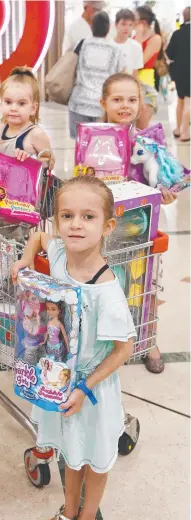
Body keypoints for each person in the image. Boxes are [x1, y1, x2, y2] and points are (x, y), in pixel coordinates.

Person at [12, 176, 135, 520]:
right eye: (67, 216)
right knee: (70, 450)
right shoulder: (62, 254)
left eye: (88, 216)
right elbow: (37, 236)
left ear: (107, 226)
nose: (76, 225)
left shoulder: (108, 291)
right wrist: (25, 259)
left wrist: (87, 387)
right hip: (57, 379)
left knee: (93, 455)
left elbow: (124, 348)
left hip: (90, 388)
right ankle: (67, 511)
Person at [100, 72, 177, 373]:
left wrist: (167, 193)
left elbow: (161, 177)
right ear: (103, 102)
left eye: (132, 99)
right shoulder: (95, 138)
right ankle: (109, 341)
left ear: (141, 103)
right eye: (117, 99)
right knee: (107, 285)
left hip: (143, 230)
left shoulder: (149, 141)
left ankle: (148, 337)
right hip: (106, 231)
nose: (125, 105)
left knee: (145, 286)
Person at [68, 11, 124, 139]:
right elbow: (119, 76)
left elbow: (71, 66)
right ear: (109, 28)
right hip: (102, 105)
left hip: (79, 103)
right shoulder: (116, 49)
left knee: (80, 144)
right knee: (100, 145)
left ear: (91, 26)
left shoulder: (81, 44)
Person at [0, 67, 55, 166]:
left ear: (33, 108)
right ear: (1, 103)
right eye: (8, 102)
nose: (13, 108)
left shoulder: (36, 134)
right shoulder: (2, 128)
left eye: (21, 103)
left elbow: (51, 163)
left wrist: (32, 161)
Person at [134, 5, 163, 129]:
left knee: (142, 126)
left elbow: (138, 61)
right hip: (132, 82)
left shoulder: (155, 38)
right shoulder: (135, 38)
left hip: (146, 84)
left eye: (134, 18)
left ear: (143, 22)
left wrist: (138, 39)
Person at [166, 6, 191, 142]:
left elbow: (169, 54)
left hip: (179, 72)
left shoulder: (177, 34)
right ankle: (185, 132)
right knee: (188, 101)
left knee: (180, 100)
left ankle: (177, 129)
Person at [113, 9, 143, 76]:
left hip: (127, 83)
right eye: (123, 24)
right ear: (116, 24)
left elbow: (135, 73)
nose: (127, 28)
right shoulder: (108, 44)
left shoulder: (136, 47)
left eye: (130, 25)